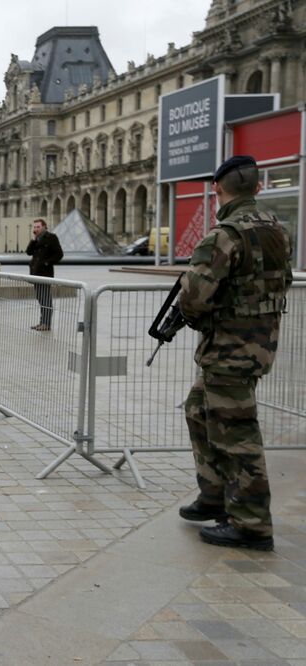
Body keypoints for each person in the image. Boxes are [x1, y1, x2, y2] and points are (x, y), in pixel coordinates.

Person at [178, 155, 293, 552]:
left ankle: (251, 524)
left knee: (237, 434)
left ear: (218, 189)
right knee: (198, 408)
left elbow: (193, 299)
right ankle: (214, 495)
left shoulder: (224, 236)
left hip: (229, 348)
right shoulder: (278, 230)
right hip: (258, 343)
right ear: (258, 188)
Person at [25, 218, 63, 331]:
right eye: (35, 227)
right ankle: (42, 322)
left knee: (46, 299)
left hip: (45, 274)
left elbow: (59, 254)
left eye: (38, 227)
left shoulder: (51, 238)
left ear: (44, 227)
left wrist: (47, 263)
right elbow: (28, 252)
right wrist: (33, 240)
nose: (35, 229)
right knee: (40, 298)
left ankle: (46, 324)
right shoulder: (36, 239)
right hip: (35, 273)